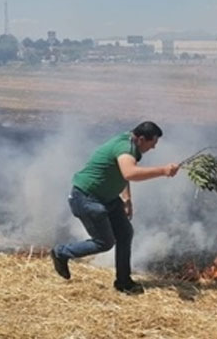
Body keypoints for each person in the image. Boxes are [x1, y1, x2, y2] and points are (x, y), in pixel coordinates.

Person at [50, 121, 179, 295]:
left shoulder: (131, 144)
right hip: (86, 199)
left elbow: (121, 173)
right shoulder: (125, 148)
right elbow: (129, 173)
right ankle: (61, 252)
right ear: (141, 139)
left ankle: (124, 282)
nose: (153, 148)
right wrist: (163, 170)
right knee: (104, 243)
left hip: (108, 199)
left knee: (125, 233)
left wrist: (127, 199)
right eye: (152, 143)